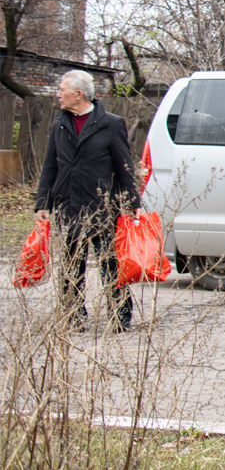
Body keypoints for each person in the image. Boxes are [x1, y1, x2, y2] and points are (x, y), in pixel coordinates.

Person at [35, 70, 142, 333]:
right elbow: (50, 165)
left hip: (102, 208)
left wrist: (132, 202)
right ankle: (73, 316)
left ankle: (120, 317)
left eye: (62, 89)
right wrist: (42, 203)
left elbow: (124, 165)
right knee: (72, 266)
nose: (58, 94)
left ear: (78, 94)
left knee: (110, 264)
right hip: (67, 204)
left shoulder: (111, 123)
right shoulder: (59, 123)